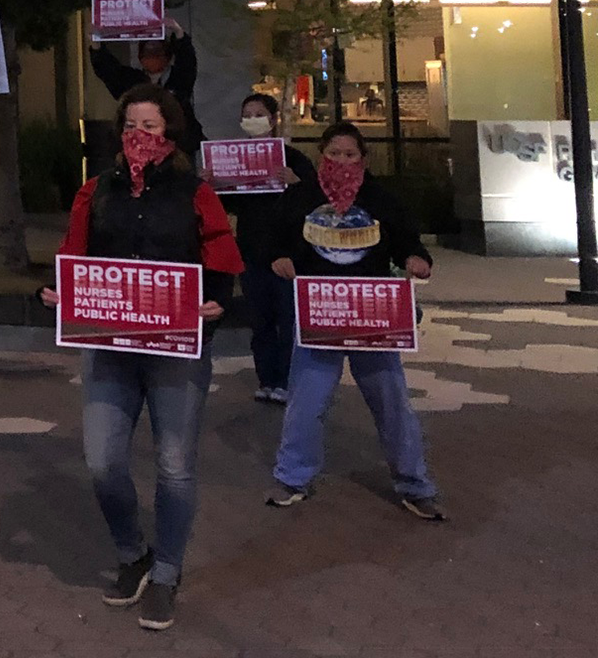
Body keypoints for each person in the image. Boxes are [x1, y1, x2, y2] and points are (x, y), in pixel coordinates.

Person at [39, 83, 241, 632]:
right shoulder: (95, 191)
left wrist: (217, 297)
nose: (139, 137)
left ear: (170, 133)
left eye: (150, 127)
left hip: (176, 348)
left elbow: (220, 251)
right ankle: (134, 554)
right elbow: (72, 253)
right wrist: (57, 289)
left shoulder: (194, 191)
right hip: (110, 348)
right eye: (131, 127)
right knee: (103, 463)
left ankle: (169, 573)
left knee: (175, 467)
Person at [265, 122, 444, 521]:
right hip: (320, 314)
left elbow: (407, 241)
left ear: (363, 159)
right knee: (306, 401)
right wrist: (280, 257)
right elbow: (275, 238)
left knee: (392, 401)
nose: (341, 161)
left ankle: (415, 484)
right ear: (320, 156)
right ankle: (293, 477)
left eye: (349, 155)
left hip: (373, 315)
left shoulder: (381, 198)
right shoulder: (300, 197)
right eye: (333, 154)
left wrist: (418, 260)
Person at [217, 93, 314, 404]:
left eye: (259, 114)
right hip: (252, 253)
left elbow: (316, 200)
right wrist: (213, 183)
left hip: (288, 256)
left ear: (273, 120)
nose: (253, 119)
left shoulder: (295, 160)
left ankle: (288, 380)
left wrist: (297, 182)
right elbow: (228, 204)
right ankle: (267, 379)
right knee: (260, 322)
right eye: (247, 114)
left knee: (288, 321)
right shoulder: (236, 160)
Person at [90, 17, 205, 153]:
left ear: (167, 55)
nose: (152, 55)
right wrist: (96, 43)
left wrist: (178, 31)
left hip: (179, 149)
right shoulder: (131, 82)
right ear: (140, 55)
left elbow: (187, 62)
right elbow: (108, 71)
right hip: (137, 150)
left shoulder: (178, 79)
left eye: (157, 50)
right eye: (148, 51)